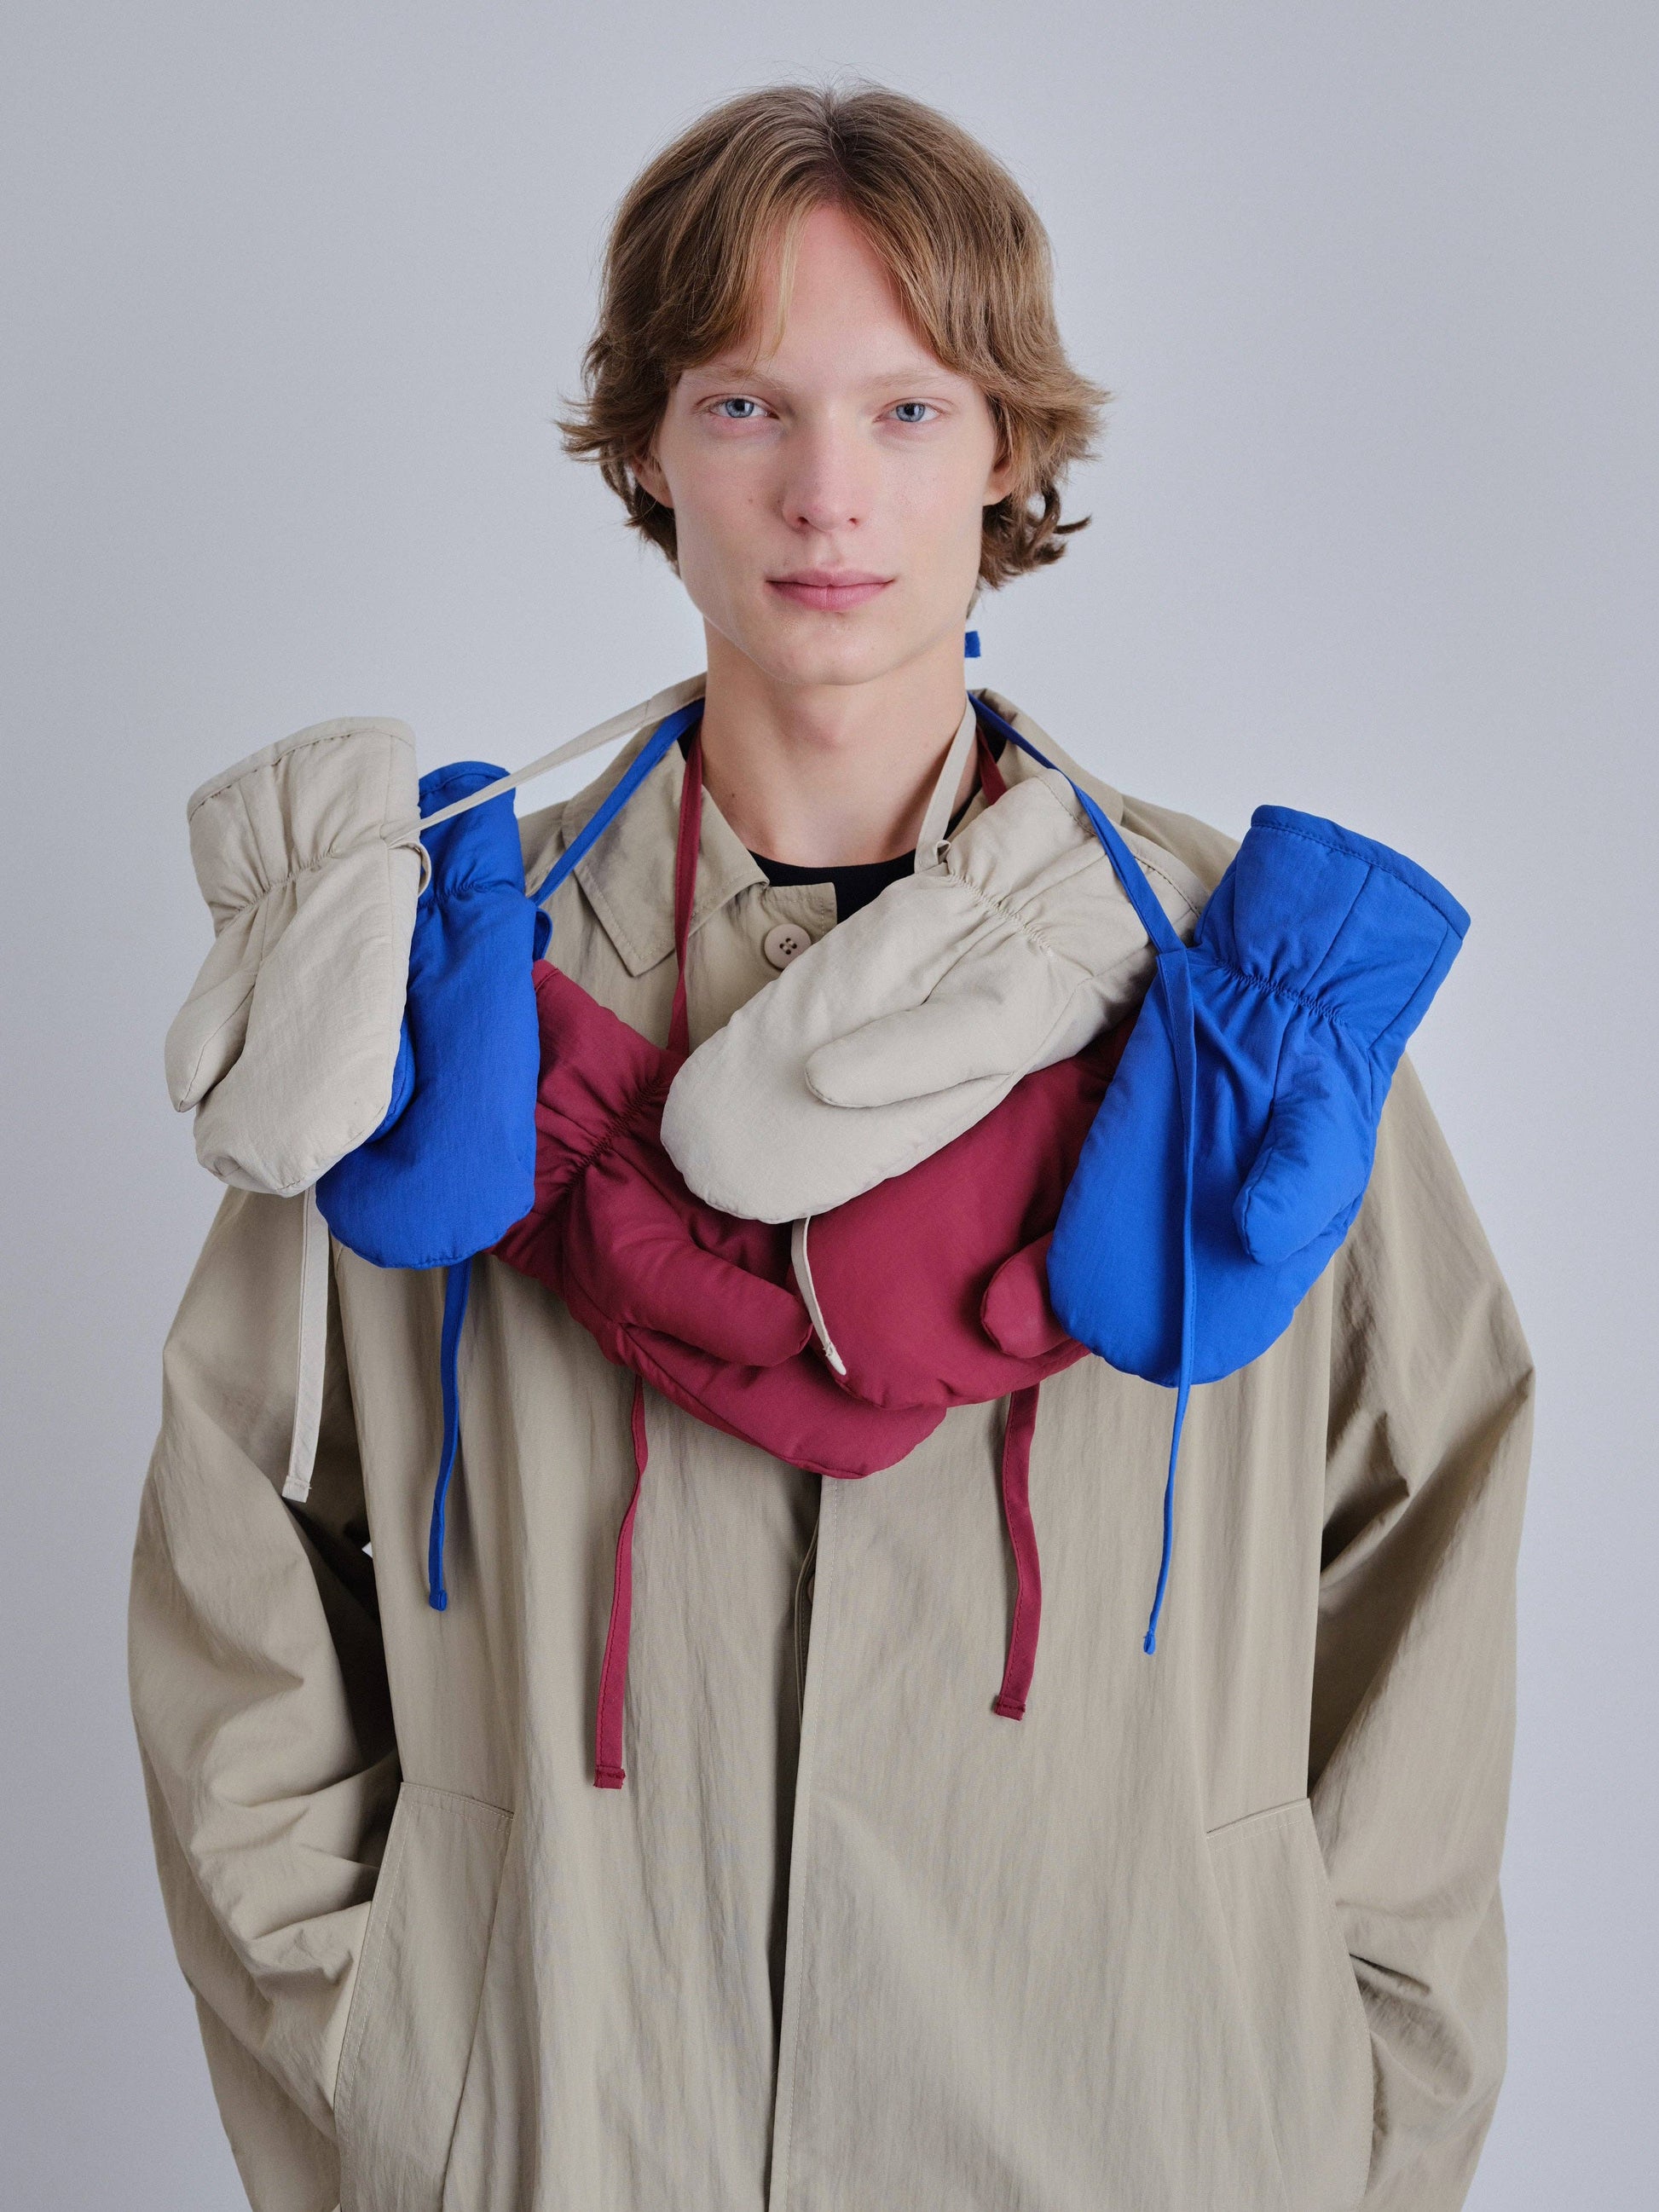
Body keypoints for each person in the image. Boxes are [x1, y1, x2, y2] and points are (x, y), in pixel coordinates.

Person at [129, 82, 1533, 2212]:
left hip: (1142, 2135)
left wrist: (1345, 2103)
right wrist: (385, 2053)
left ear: (1010, 450)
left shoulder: (1233, 993)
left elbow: (1426, 1518)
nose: (825, 493)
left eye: (906, 409)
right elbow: (243, 1530)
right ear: (644, 449)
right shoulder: (431, 983)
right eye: (744, 404)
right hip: (574, 2134)